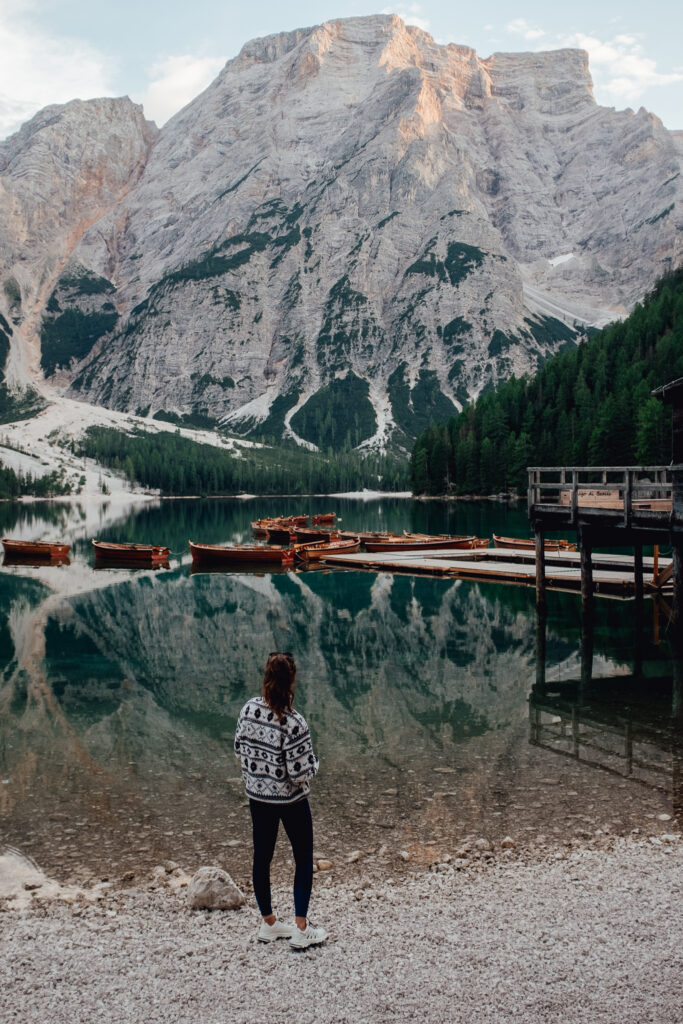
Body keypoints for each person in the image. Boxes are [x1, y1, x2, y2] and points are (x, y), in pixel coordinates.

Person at [234, 651, 328, 949]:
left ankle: (269, 923)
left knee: (262, 857)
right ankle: (301, 928)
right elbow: (299, 773)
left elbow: (239, 749)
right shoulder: (294, 722)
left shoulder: (249, 710)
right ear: (292, 682)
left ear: (266, 679)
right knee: (303, 857)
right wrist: (315, 764)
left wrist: (259, 775)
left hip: (258, 797)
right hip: (291, 801)